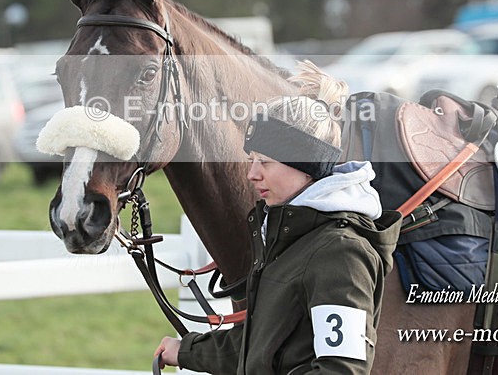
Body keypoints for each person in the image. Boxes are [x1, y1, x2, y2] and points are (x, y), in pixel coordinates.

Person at [154, 61, 401, 374]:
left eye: (265, 163)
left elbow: (341, 370)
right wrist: (186, 350)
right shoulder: (284, 234)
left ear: (305, 164)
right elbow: (260, 348)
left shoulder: (342, 253)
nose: (252, 174)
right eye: (252, 160)